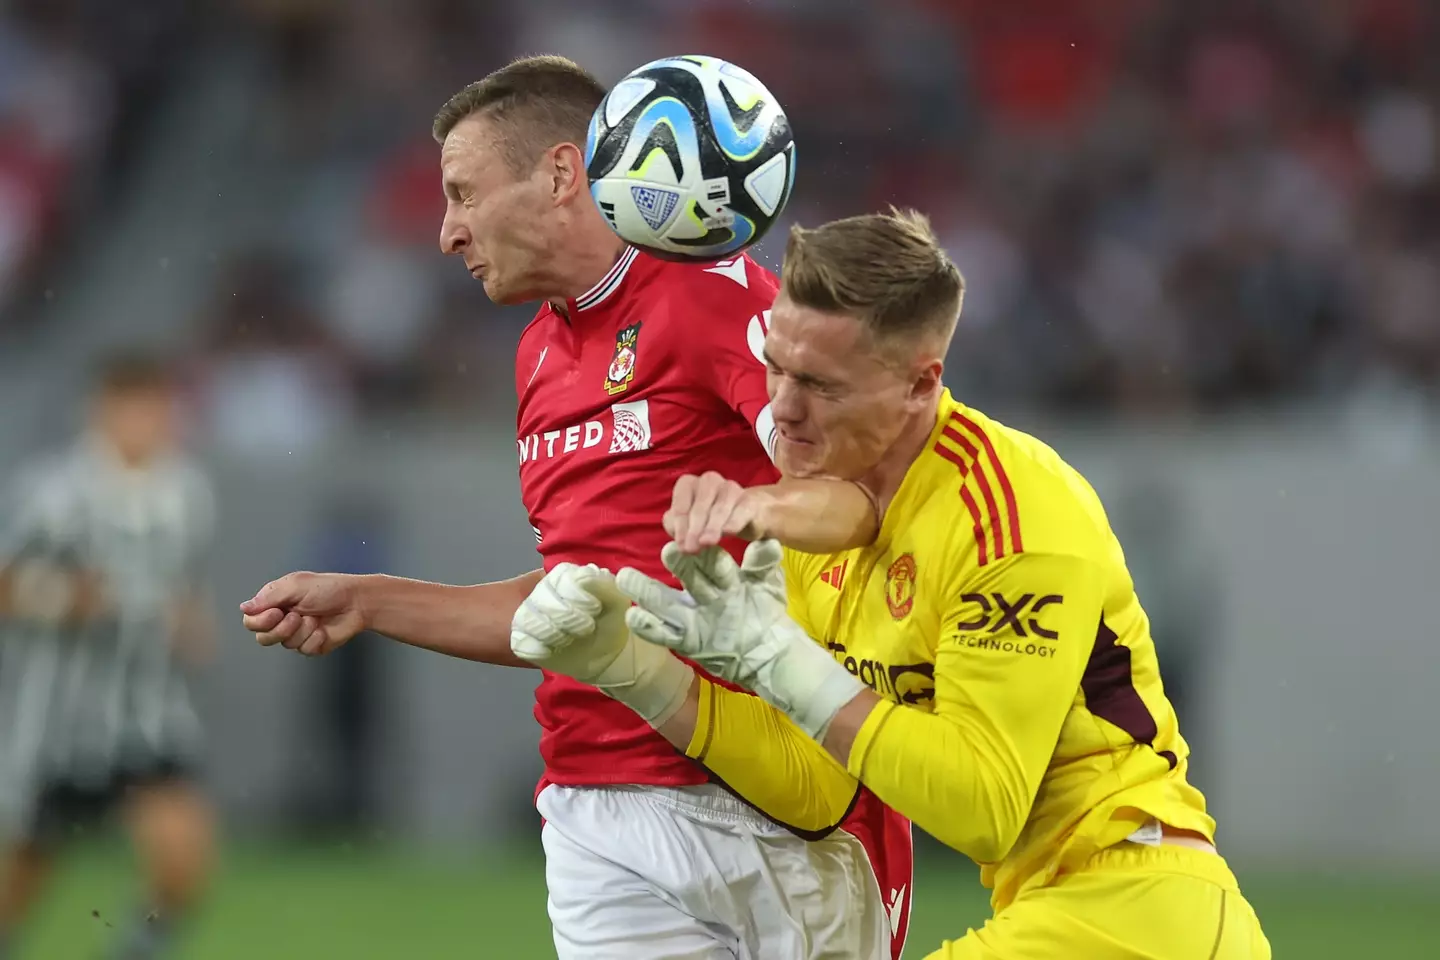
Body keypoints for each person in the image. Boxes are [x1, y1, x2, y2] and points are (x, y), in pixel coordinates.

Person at [238, 56, 912, 959]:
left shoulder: (712, 294)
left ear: (560, 173)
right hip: (598, 808)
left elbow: (861, 498)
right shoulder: (538, 362)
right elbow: (574, 602)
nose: (446, 233)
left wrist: (756, 510)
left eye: (463, 194)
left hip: (774, 796)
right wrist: (366, 600)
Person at [510, 209, 1273, 958]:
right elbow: (816, 789)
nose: (782, 405)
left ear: (920, 384)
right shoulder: (817, 536)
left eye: (821, 384)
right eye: (774, 365)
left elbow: (983, 807)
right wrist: (634, 671)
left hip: (1136, 906)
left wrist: (782, 662)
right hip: (1056, 908)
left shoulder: (1011, 512)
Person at [0, 355, 217, 960]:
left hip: (147, 708)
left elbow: (184, 585)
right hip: (61, 718)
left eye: (156, 408)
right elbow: (6, 584)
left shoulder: (186, 492)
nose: (146, 422)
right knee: (28, 865)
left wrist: (190, 622)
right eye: (132, 407)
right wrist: (67, 597)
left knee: (183, 853)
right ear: (100, 411)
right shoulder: (54, 494)